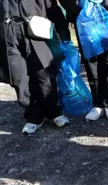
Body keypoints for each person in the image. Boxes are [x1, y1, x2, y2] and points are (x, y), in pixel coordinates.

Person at [0, 0, 71, 134]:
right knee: (19, 78)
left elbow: (52, 8)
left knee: (44, 75)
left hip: (36, 31)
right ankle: (34, 117)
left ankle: (53, 112)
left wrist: (65, 36)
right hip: (8, 33)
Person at [59, 0, 108, 121]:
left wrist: (106, 2)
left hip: (107, 18)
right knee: (91, 63)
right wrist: (79, 5)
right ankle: (97, 104)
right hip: (83, 21)